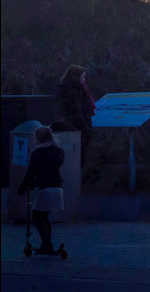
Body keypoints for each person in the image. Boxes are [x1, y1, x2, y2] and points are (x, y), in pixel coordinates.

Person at [17, 126, 66, 254]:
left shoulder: (38, 153)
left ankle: (46, 244)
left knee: (37, 216)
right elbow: (49, 170)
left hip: (46, 188)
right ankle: (47, 243)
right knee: (44, 216)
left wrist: (22, 187)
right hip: (57, 187)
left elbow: (31, 172)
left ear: (38, 138)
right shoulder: (59, 152)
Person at [56, 64, 95, 166]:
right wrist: (86, 129)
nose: (84, 80)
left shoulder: (70, 89)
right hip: (75, 129)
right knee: (77, 160)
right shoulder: (73, 91)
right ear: (76, 77)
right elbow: (76, 112)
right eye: (82, 77)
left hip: (72, 127)